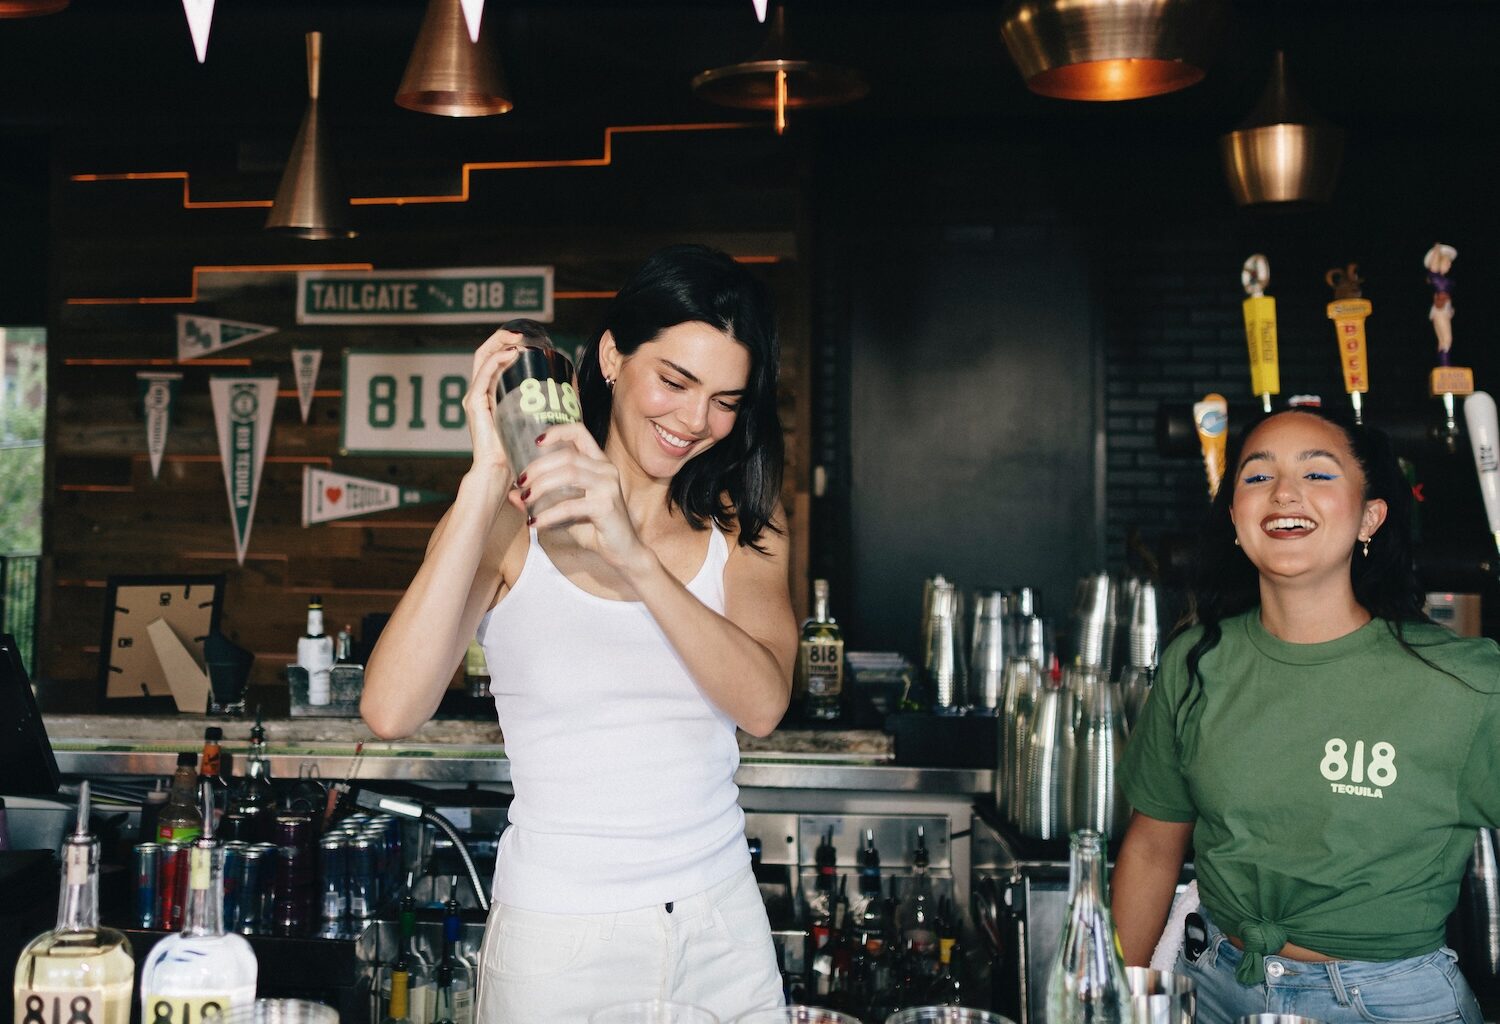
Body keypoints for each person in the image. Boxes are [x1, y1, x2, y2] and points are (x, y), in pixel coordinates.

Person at [362, 244, 797, 1023]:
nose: (696, 422)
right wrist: (486, 478)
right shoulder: (510, 523)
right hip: (559, 940)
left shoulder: (739, 520)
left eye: (726, 400)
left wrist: (633, 557)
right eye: (674, 381)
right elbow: (391, 709)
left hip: (722, 927)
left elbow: (762, 703)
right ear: (611, 356)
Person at [1113, 407, 1500, 1023]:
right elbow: (1154, 848)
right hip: (1212, 986)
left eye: (1318, 475)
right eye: (1257, 477)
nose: (1285, 493)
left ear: (1370, 516)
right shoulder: (1198, 660)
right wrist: (1123, 1000)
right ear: (1237, 519)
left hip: (1385, 1004)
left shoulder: (1464, 683)